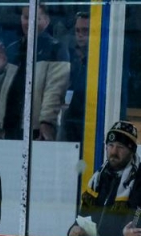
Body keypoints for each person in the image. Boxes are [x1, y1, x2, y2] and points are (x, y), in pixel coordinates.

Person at [66, 121, 141, 236]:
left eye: (120, 147)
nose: (113, 152)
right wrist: (73, 229)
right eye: (110, 145)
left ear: (132, 151)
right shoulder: (99, 177)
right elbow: (83, 216)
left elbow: (137, 222)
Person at [0, 4, 70, 140]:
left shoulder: (56, 49)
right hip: (10, 127)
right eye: (26, 17)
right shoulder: (12, 49)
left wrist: (46, 122)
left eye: (36, 18)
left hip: (37, 130)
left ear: (47, 21)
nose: (29, 23)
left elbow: (55, 90)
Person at [61, 12, 90, 143]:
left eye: (85, 30)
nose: (80, 35)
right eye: (77, 30)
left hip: (88, 124)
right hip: (70, 124)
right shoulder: (71, 58)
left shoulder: (100, 63)